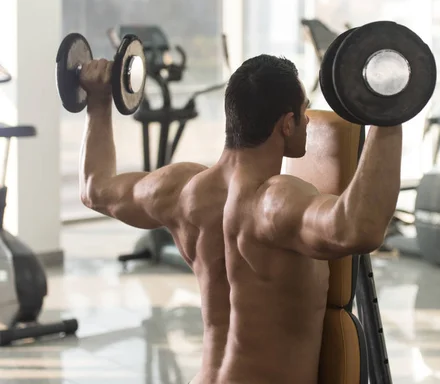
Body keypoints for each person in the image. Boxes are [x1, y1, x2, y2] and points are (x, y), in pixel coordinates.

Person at [79, 54, 403, 384]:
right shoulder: (274, 201)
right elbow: (359, 228)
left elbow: (95, 188)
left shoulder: (180, 190)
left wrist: (99, 101)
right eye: (303, 113)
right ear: (287, 123)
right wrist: (389, 116)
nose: (307, 122)